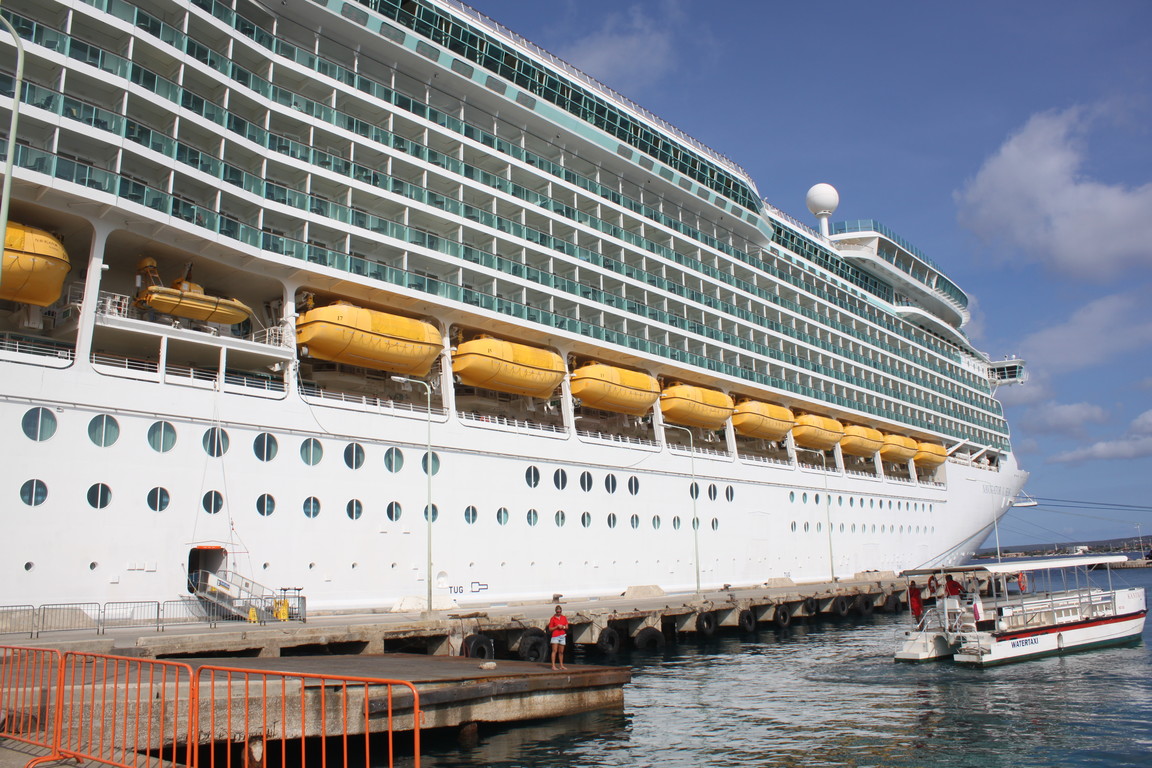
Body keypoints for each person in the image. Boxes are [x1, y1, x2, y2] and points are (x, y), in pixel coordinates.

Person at [547, 604, 568, 670]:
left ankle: (561, 665)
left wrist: (562, 627)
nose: (558, 613)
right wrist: (556, 627)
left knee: (561, 652)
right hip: (555, 635)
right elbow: (550, 629)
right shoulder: (552, 619)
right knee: (554, 651)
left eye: (559, 612)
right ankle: (553, 665)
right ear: (556, 612)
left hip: (562, 635)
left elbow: (567, 627)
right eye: (557, 612)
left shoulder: (564, 618)